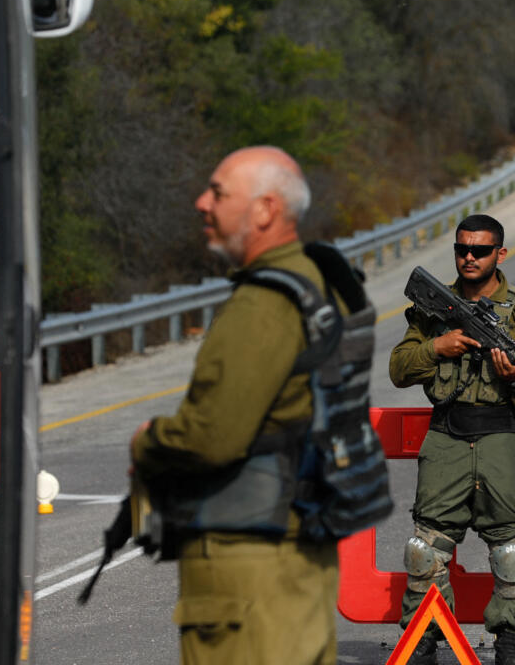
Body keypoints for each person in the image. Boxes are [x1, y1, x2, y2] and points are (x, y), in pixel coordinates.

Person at [129, 146, 340, 665]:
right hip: (291, 560)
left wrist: (148, 441)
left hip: (248, 573)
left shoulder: (263, 303)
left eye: (218, 192)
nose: (202, 203)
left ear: (265, 209)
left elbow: (213, 437)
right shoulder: (310, 285)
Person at [389, 214, 515, 665]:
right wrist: (437, 348)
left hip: (502, 436)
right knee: (423, 550)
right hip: (446, 436)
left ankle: (509, 646)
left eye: (480, 250)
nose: (469, 257)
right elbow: (399, 368)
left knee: (510, 551)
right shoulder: (434, 309)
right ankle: (426, 639)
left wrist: (513, 380)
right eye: (462, 249)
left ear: (499, 254)